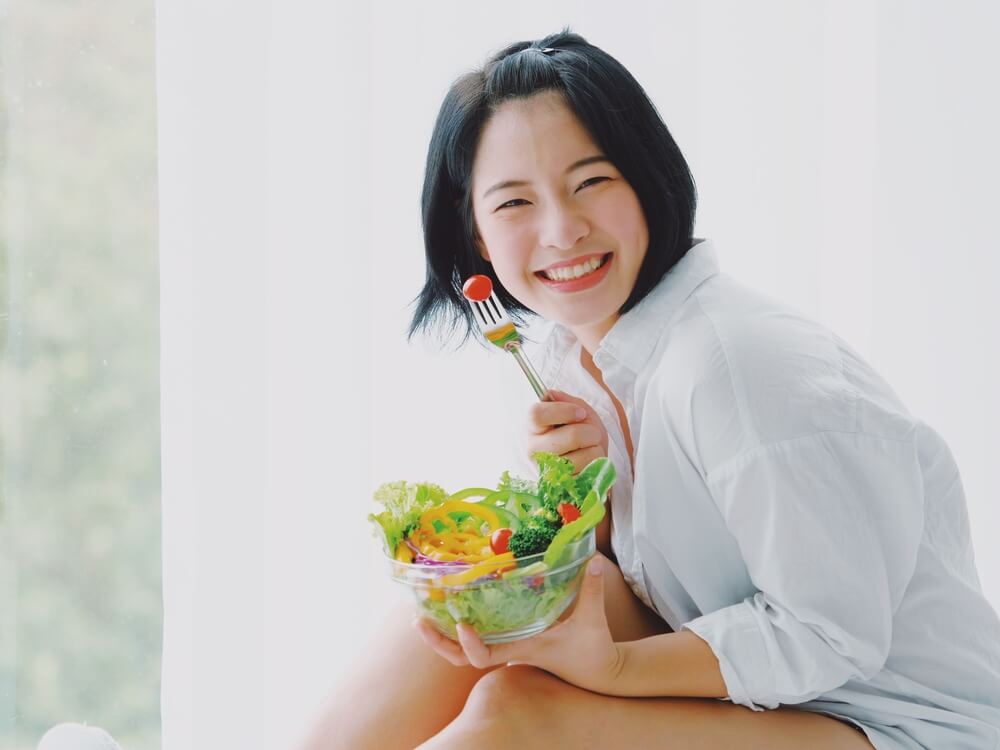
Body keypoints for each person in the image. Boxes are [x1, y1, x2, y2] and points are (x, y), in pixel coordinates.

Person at [298, 30, 1000, 750]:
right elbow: (642, 584)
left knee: (516, 718)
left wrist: (612, 666)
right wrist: (583, 517)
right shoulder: (563, 364)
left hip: (898, 721)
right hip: (773, 697)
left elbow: (832, 637)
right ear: (476, 236)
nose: (562, 231)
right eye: (513, 204)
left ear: (647, 180)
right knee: (466, 605)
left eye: (592, 182)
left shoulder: (736, 366)